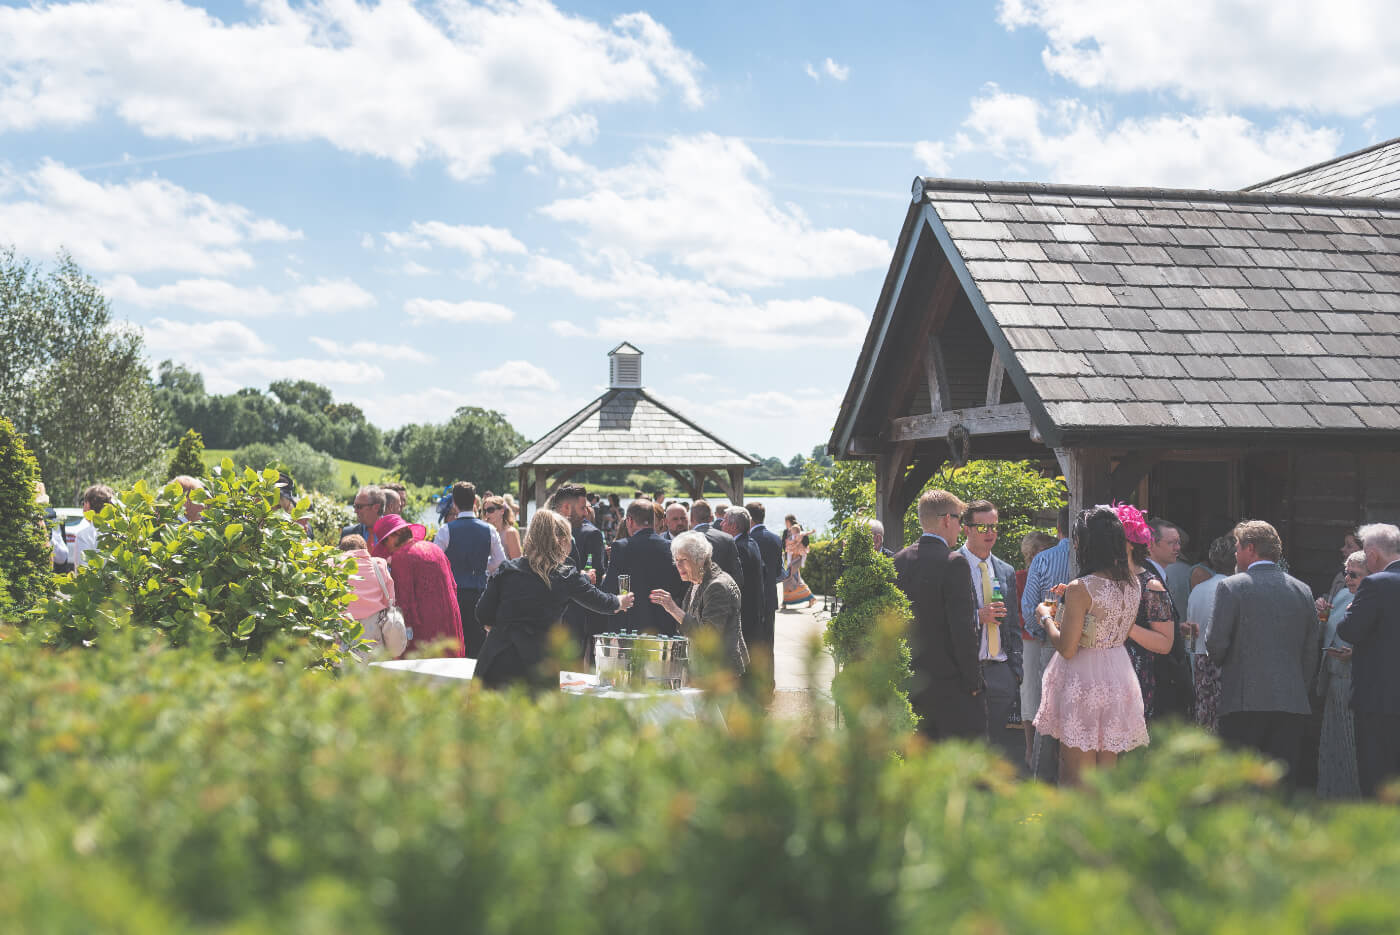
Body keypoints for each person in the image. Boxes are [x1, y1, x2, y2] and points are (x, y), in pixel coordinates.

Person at [1031, 506, 1148, 785]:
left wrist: (1045, 617)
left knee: (1077, 775)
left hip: (1084, 679)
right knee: (1105, 777)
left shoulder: (1081, 587)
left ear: (1085, 543)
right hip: (1118, 673)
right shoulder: (1132, 583)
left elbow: (1068, 648)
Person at [1207, 520, 1321, 786]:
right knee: (1282, 783)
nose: (1235, 553)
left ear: (1250, 549)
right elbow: (1310, 649)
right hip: (1291, 701)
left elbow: (1216, 644)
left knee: (1241, 784)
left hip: (1243, 701)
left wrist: (1227, 665)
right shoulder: (1302, 590)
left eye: (1237, 547)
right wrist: (1298, 686)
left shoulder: (1231, 586)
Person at [475, 510, 633, 691]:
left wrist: (501, 625)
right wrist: (620, 601)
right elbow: (600, 602)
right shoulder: (565, 575)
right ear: (562, 541)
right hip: (536, 664)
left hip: (495, 657)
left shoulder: (507, 569)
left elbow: (482, 613)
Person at [894, 489, 982, 740]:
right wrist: (974, 682)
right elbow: (962, 629)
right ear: (946, 520)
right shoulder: (954, 562)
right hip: (948, 687)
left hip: (910, 683)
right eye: (959, 520)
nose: (961, 527)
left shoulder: (898, 560)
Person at [1337, 523, 1400, 798]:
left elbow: (1350, 630)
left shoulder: (1375, 584)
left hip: (1379, 698)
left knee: (1377, 778)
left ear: (1372, 555)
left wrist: (1349, 612)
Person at [957, 500, 1023, 755]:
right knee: (967, 746)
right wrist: (978, 616)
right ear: (967, 530)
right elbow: (943, 618)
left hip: (1000, 673)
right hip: (967, 671)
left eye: (994, 527)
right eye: (983, 527)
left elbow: (1014, 624)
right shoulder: (953, 565)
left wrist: (1015, 672)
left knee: (994, 747)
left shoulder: (1005, 570)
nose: (991, 533)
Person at [649, 530, 748, 675]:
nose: (678, 565)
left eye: (683, 560)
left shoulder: (717, 586)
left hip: (719, 672)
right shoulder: (697, 580)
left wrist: (673, 609)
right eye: (676, 560)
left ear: (700, 559)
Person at [1020, 506, 1071, 771]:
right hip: (1094, 648)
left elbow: (1029, 609)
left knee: (1048, 718)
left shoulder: (1043, 559)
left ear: (1059, 529)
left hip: (1052, 643)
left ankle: (1044, 783)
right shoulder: (1106, 561)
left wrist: (1045, 634)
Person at [373, 513, 465, 657]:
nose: (385, 546)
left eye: (385, 540)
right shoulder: (435, 548)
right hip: (448, 619)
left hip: (424, 628)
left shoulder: (401, 557)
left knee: (423, 674)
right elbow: (453, 586)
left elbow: (403, 602)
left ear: (397, 533)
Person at [432, 482, 506, 657]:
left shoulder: (445, 530)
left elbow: (434, 561)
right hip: (480, 593)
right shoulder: (489, 530)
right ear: (475, 502)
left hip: (454, 594)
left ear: (454, 503)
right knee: (478, 644)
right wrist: (483, 567)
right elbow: (500, 561)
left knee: (455, 642)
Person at [1119, 505, 1176, 721]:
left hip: (1134, 680)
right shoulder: (1102, 580)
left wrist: (1124, 624)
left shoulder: (1151, 585)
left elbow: (1164, 643)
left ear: (1130, 544)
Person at [1317, 550, 1365, 799]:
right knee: (1333, 745)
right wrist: (1321, 615)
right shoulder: (1343, 594)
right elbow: (1327, 631)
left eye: (1355, 574)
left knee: (1354, 749)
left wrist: (1355, 654)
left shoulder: (1376, 599)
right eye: (1347, 573)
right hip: (1334, 681)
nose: (1348, 579)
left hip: (1357, 685)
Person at [600, 499, 686, 635]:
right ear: (653, 520)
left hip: (629, 626)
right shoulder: (673, 547)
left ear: (630, 520)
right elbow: (680, 588)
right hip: (664, 625)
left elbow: (609, 588)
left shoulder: (621, 547)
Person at [1183, 535, 1237, 733]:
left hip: (1199, 662)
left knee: (1206, 721)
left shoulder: (1198, 590)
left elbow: (1189, 634)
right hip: (1225, 662)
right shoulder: (1236, 589)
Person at [1145, 517, 1193, 719]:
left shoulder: (1157, 575)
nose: (1177, 548)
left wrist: (1175, 627)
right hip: (1161, 675)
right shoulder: (1149, 578)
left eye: (1179, 542)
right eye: (1171, 543)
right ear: (1151, 545)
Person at [338, 534, 405, 659]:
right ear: (365, 550)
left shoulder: (331, 563)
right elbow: (389, 599)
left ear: (341, 550)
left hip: (342, 628)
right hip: (373, 630)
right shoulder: (378, 564)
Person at [722, 506, 766, 659]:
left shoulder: (737, 548)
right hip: (755, 611)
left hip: (745, 613)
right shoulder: (752, 542)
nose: (721, 524)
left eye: (725, 521)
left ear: (734, 526)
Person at [746, 501, 782, 686]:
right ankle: (769, 682)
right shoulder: (776, 538)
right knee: (769, 644)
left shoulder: (748, 541)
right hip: (770, 598)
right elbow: (778, 572)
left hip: (753, 600)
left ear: (750, 519)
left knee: (753, 643)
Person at [689, 500, 744, 589]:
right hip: (724, 596)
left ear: (691, 518)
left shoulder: (685, 540)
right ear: (711, 518)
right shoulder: (727, 538)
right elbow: (738, 576)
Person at [68, 484, 116, 570]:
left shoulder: (84, 535)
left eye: (84, 503)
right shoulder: (120, 532)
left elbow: (82, 570)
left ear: (87, 505)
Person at [782, 518, 814, 608]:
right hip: (791, 558)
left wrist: (797, 544)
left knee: (789, 578)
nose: (785, 524)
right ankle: (786, 601)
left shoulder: (799, 531)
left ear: (790, 522)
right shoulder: (786, 532)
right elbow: (784, 544)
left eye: (786, 522)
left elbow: (806, 542)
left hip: (796, 558)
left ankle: (786, 602)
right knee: (794, 579)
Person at [481, 495, 523, 561]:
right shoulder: (487, 532)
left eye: (490, 510)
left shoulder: (510, 532)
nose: (486, 514)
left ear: (502, 511)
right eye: (484, 510)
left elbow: (517, 563)